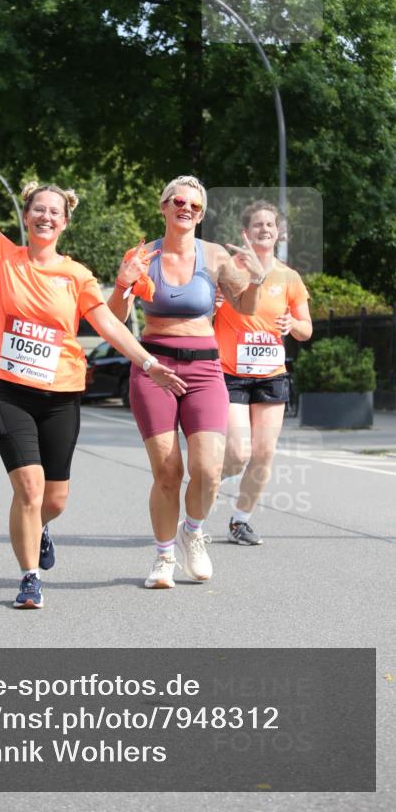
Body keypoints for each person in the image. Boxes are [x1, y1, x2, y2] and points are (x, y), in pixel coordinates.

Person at [0, 117, 182, 609]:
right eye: (37, 209)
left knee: (54, 500)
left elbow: (108, 325)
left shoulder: (77, 275)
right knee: (31, 489)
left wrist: (148, 363)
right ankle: (29, 577)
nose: (44, 217)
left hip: (61, 395)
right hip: (10, 392)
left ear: (64, 221)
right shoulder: (2, 255)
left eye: (53, 212)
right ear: (27, 216)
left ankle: (37, 531)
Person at [108, 176, 265, 589]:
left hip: (205, 371)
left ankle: (191, 531)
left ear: (202, 214)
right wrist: (124, 281)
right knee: (167, 472)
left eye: (195, 206)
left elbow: (245, 307)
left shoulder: (213, 257)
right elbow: (114, 320)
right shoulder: (143, 256)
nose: (187, 209)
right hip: (154, 369)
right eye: (179, 201)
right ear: (163, 206)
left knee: (208, 470)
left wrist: (259, 279)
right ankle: (163, 558)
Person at [215, 200, 312, 545]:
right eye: (258, 225)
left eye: (271, 225)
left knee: (264, 453)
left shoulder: (289, 277)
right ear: (246, 232)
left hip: (271, 373)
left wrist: (293, 323)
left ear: (279, 232)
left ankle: (240, 521)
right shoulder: (228, 269)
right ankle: (209, 482)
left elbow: (306, 330)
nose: (265, 230)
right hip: (230, 372)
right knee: (238, 453)